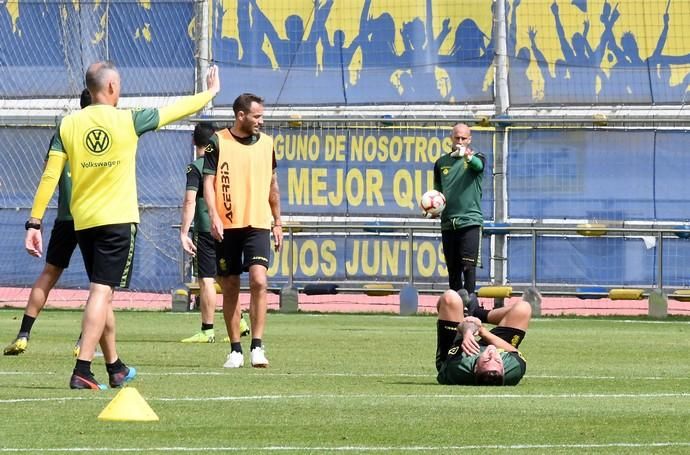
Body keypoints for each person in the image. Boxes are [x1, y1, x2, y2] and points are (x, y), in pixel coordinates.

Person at [24, 61, 221, 389]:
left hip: (82, 222)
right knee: (101, 292)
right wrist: (210, 94)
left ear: (89, 89)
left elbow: (49, 175)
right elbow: (175, 110)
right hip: (116, 221)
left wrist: (34, 221)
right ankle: (83, 369)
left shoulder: (68, 124)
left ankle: (114, 366)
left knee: (102, 293)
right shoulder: (128, 119)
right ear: (112, 88)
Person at [4, 89, 91, 356]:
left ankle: (23, 334)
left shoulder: (65, 129)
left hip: (65, 216)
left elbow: (48, 172)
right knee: (100, 285)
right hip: (93, 217)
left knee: (49, 273)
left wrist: (37, 218)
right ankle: (83, 342)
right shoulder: (104, 130)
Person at [203, 92, 283, 369]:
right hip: (227, 226)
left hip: (258, 223)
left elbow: (273, 186)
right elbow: (208, 183)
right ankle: (235, 349)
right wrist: (213, 215)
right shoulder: (218, 141)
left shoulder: (268, 144)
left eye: (262, 115)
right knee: (231, 286)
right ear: (241, 116)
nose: (261, 120)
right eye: (257, 116)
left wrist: (278, 221)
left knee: (259, 280)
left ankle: (257, 347)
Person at [179, 122, 249, 343]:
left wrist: (183, 231)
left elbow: (190, 200)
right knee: (226, 278)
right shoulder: (225, 165)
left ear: (194, 141)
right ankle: (240, 322)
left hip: (207, 227)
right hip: (230, 225)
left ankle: (207, 329)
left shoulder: (196, 167)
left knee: (206, 278)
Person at [435, 287, 539, 386]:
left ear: (475, 368)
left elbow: (463, 326)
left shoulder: (458, 367)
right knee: (524, 308)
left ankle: (465, 313)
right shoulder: (513, 371)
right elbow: (514, 351)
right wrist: (483, 332)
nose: (492, 354)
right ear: (503, 369)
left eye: (487, 360)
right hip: (491, 344)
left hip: (455, 352)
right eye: (498, 361)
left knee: (450, 298)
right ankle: (476, 312)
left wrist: (468, 332)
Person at [433, 123, 485, 294]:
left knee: (468, 267)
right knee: (453, 271)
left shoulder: (477, 157)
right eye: (457, 137)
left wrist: (468, 157)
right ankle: (455, 312)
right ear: (451, 138)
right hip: (449, 223)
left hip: (470, 221)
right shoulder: (441, 162)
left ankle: (469, 309)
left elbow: (479, 166)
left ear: (469, 139)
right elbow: (438, 191)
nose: (460, 141)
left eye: (464, 138)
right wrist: (434, 210)